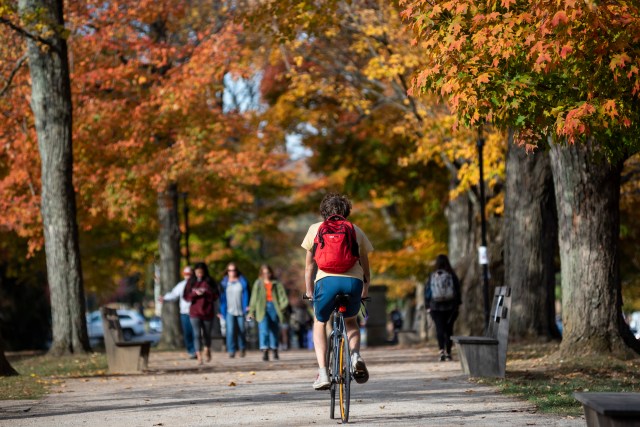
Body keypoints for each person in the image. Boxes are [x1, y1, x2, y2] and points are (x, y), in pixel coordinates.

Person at [302, 193, 373, 390]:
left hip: (326, 282)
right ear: (347, 211)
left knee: (319, 322)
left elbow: (309, 267)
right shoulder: (355, 230)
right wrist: (365, 288)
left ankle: (323, 373)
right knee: (351, 322)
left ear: (324, 211)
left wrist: (309, 291)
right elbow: (365, 268)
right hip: (353, 283)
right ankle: (355, 355)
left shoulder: (315, 229)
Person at [248, 264, 289, 361]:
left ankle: (274, 349)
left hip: (274, 307)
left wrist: (282, 307)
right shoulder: (258, 283)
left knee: (274, 330)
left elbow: (283, 297)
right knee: (263, 329)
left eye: (268, 273)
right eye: (264, 273)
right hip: (261, 308)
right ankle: (265, 350)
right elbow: (253, 298)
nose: (266, 275)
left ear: (271, 273)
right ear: (261, 274)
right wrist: (251, 311)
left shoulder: (276, 283)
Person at [425, 254, 462, 361]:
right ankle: (448, 352)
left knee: (439, 329)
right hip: (450, 307)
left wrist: (427, 305)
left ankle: (441, 350)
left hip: (435, 307)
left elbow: (427, 291)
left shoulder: (432, 275)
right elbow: (457, 290)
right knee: (449, 329)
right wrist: (457, 304)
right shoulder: (451, 275)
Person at [183, 262, 219, 364]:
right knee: (196, 334)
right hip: (194, 312)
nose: (199, 274)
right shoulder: (191, 282)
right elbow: (186, 296)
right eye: (198, 272)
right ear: (194, 272)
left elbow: (216, 295)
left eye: (201, 272)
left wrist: (206, 293)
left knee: (207, 334)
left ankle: (207, 348)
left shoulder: (210, 281)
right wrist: (195, 294)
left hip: (207, 311)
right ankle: (198, 355)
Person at [159, 266, 196, 359]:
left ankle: (197, 350)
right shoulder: (181, 285)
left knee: (196, 333)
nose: (187, 276)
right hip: (185, 313)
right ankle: (191, 351)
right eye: (185, 274)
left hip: (196, 313)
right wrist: (165, 298)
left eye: (189, 274)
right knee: (187, 333)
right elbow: (174, 294)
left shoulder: (197, 284)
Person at [219, 262, 250, 358]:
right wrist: (220, 310)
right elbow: (221, 298)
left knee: (242, 330)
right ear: (227, 271)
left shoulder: (242, 281)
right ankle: (231, 350)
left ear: (237, 271)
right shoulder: (224, 283)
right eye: (230, 270)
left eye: (234, 270)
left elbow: (247, 294)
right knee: (230, 331)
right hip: (229, 310)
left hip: (241, 310)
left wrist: (248, 306)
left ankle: (242, 348)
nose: (232, 272)